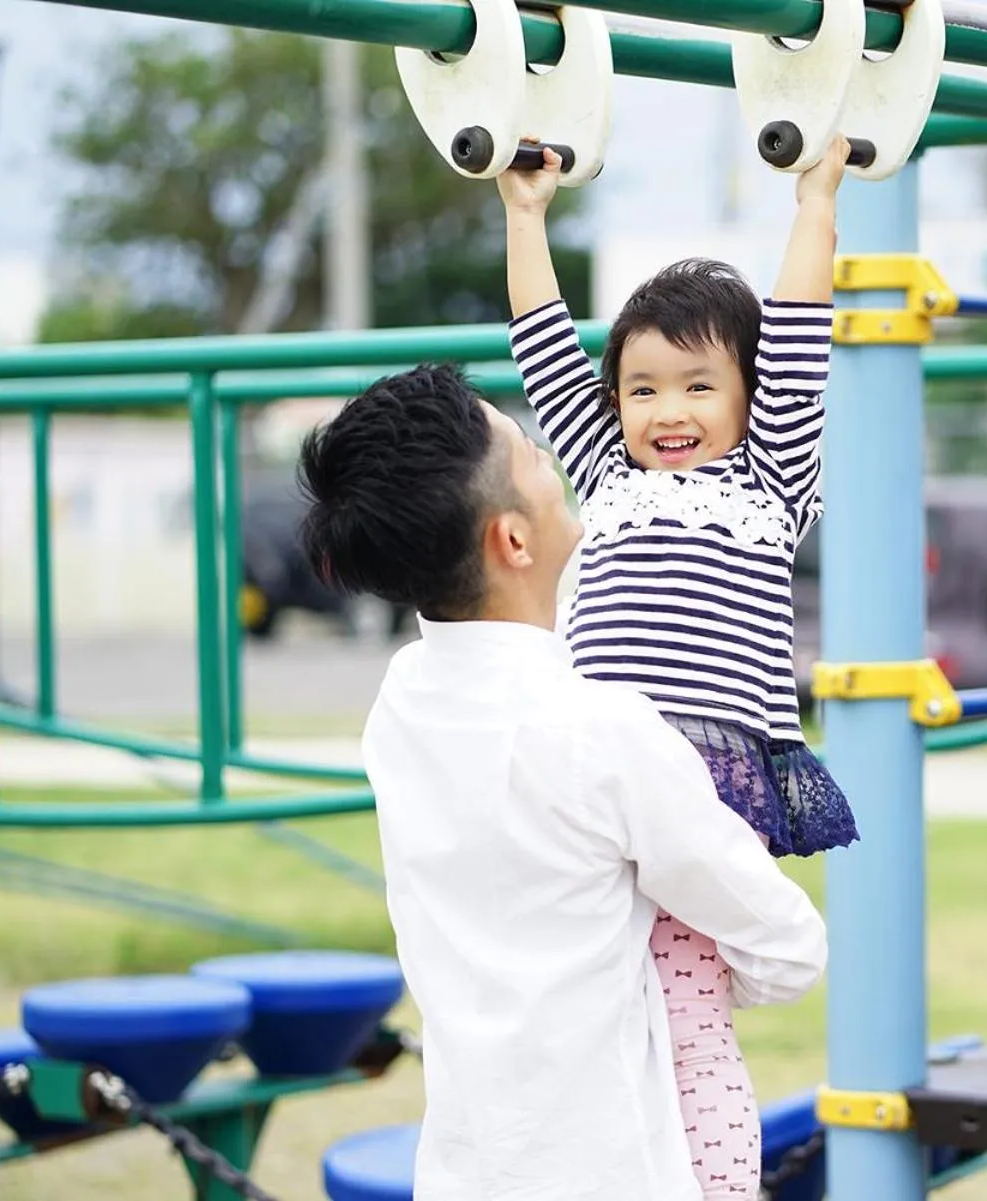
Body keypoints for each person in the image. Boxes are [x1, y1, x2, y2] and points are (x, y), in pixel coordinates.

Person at [294, 367, 829, 1200]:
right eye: (534, 455)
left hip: (466, 1168)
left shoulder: (401, 701)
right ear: (513, 540)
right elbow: (790, 945)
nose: (558, 459)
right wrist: (682, 989)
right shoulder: (600, 730)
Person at [495, 137, 858, 1199]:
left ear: (750, 396)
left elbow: (797, 329)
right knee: (594, 1000)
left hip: (701, 783)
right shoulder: (603, 470)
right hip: (590, 781)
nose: (669, 412)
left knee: (690, 1014)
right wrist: (526, 217)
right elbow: (544, 353)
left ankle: (716, 1185)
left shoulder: (773, 476)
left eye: (700, 385)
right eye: (645, 387)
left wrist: (816, 203)